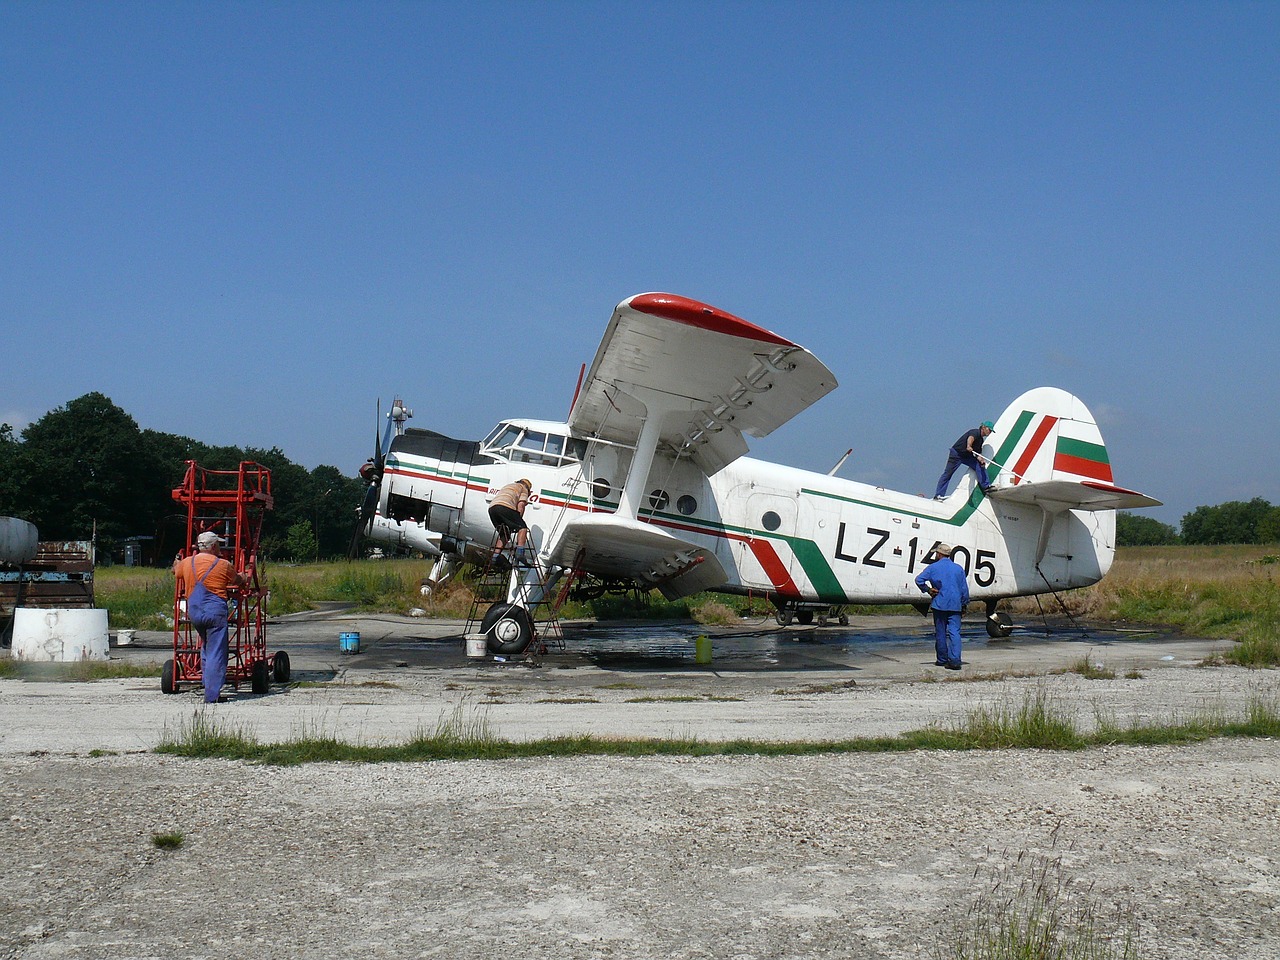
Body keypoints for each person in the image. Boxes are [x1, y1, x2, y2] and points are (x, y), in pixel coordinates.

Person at [173, 531, 246, 703]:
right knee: (216, 652)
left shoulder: (187, 562)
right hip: (214, 611)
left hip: (195, 611)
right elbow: (237, 581)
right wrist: (244, 576)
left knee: (206, 647)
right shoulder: (223, 564)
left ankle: (207, 683)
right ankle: (212, 695)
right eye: (218, 544)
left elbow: (175, 571)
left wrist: (176, 560)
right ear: (213, 546)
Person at [914, 543, 970, 670]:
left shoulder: (933, 567)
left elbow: (919, 580)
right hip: (955, 604)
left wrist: (928, 590)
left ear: (939, 554)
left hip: (939, 604)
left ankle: (942, 659)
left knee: (940, 633)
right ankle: (955, 661)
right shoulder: (958, 568)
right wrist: (964, 605)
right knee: (955, 632)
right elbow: (964, 589)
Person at [934, 420, 995, 500]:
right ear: (983, 427)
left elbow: (977, 453)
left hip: (966, 456)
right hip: (956, 454)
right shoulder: (975, 432)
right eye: (989, 429)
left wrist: (980, 459)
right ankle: (938, 495)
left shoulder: (981, 441)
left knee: (980, 465)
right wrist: (969, 445)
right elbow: (970, 438)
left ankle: (986, 486)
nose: (989, 432)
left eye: (991, 431)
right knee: (948, 473)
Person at [488, 478, 533, 563]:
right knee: (522, 527)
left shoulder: (509, 486)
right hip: (505, 507)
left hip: (492, 508)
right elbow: (521, 505)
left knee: (504, 533)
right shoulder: (524, 489)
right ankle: (520, 553)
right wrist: (518, 521)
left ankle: (495, 556)